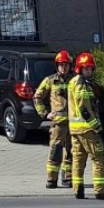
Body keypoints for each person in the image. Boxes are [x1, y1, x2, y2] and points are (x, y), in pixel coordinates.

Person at [68, 52, 104, 200]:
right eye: (85, 68)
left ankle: (78, 190)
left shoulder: (73, 81)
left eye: (90, 68)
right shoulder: (82, 83)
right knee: (98, 158)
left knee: (78, 160)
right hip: (88, 129)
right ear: (79, 69)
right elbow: (83, 108)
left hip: (75, 129)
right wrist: (96, 127)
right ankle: (100, 191)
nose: (88, 71)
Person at [33, 50, 74, 188]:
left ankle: (68, 178)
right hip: (58, 125)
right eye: (61, 65)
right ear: (57, 66)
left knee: (71, 152)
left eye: (66, 65)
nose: (64, 67)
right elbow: (37, 97)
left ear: (70, 66)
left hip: (74, 123)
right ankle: (52, 179)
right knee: (55, 151)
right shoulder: (50, 80)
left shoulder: (75, 81)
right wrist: (45, 114)